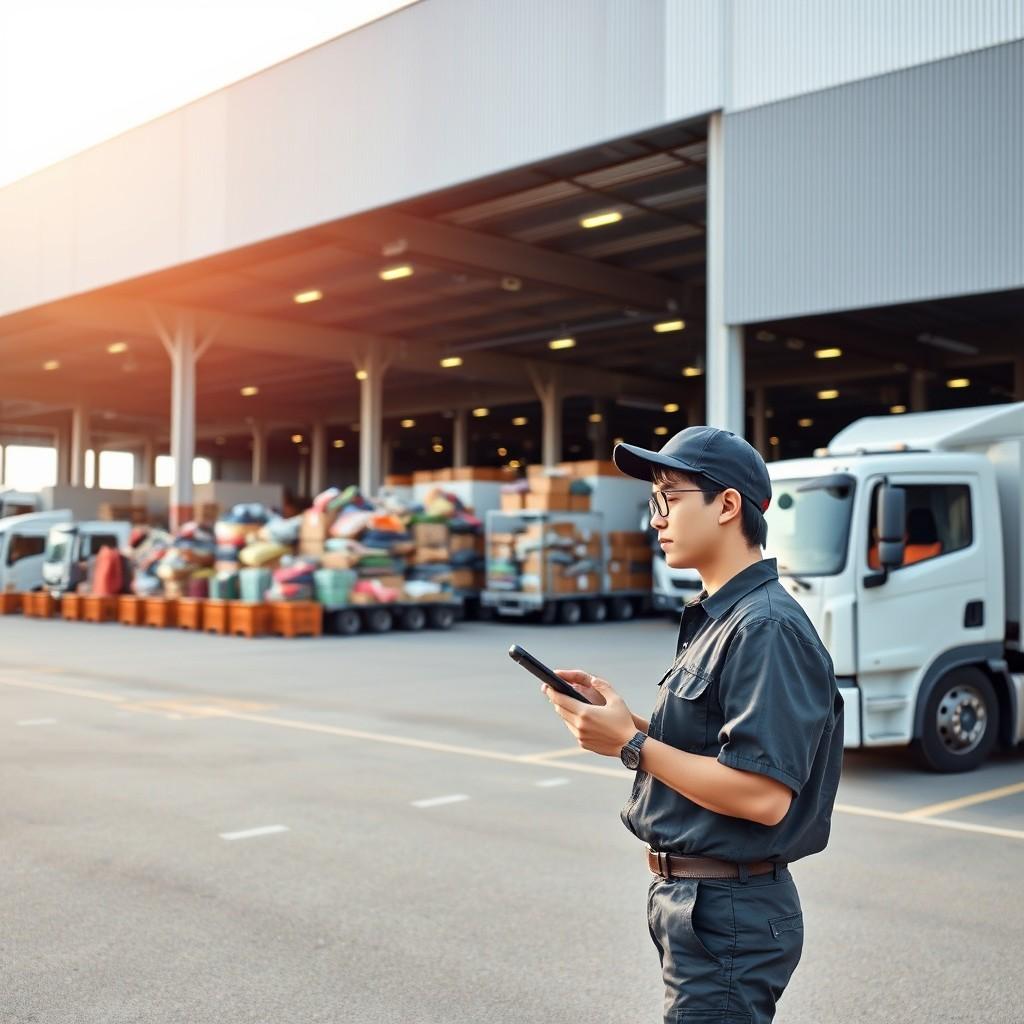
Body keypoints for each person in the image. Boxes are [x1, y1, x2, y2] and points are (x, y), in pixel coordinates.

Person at [541, 425, 844, 1024]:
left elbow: (762, 796)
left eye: (669, 498)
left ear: (727, 505)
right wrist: (621, 720)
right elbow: (711, 746)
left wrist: (631, 744)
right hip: (701, 903)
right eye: (654, 500)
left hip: (727, 908)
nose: (655, 518)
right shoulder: (725, 618)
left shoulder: (764, 626)